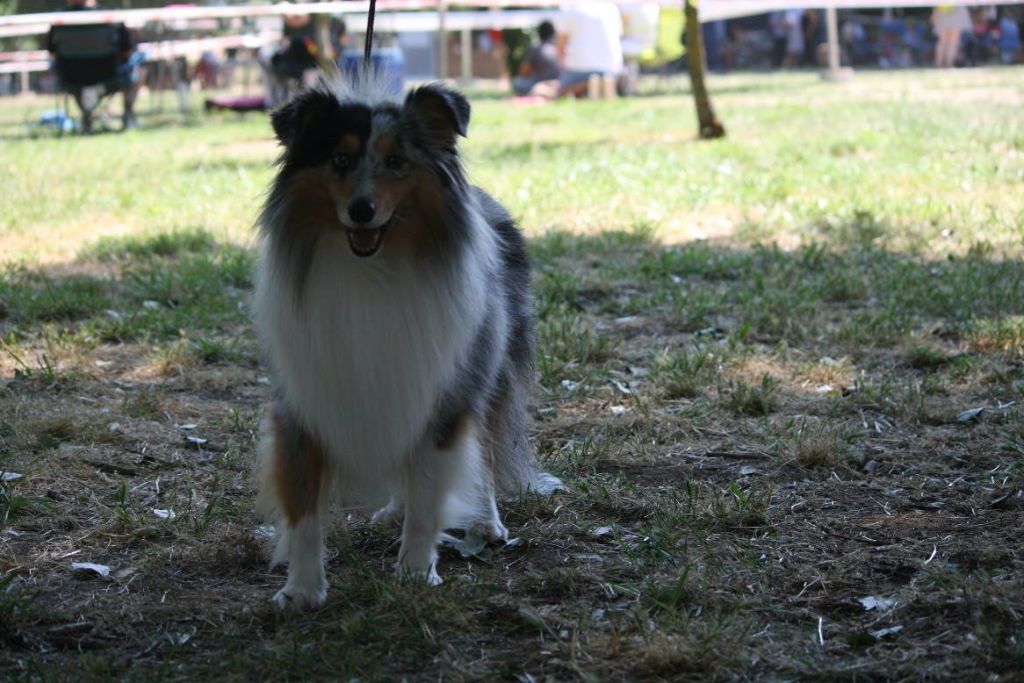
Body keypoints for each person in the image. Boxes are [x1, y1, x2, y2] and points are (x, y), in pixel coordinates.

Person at [45, 0, 141, 132]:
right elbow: (127, 51)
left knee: (77, 78)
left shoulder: (58, 20)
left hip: (71, 77)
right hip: (109, 75)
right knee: (135, 69)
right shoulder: (111, 17)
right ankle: (128, 116)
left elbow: (51, 51)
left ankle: (87, 116)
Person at [556, 1, 623, 98]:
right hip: (612, 68)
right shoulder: (611, 7)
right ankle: (603, 83)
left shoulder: (570, 7)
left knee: (561, 91)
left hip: (580, 68)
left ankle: (588, 84)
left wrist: (562, 66)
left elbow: (561, 44)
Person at [512, 20, 560, 98]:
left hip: (542, 84)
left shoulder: (536, 48)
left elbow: (523, 72)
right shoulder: (561, 48)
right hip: (562, 83)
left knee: (518, 82)